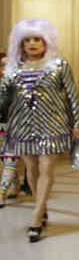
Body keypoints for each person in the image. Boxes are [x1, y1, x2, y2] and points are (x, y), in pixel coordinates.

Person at [1, 19, 79, 242]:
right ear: (21, 43)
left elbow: (72, 95)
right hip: (21, 124)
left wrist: (77, 124)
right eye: (27, 40)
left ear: (46, 41)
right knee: (31, 168)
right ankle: (42, 206)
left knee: (46, 167)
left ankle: (36, 217)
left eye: (36, 39)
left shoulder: (59, 65)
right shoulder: (12, 67)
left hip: (53, 124)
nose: (32, 44)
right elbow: (4, 98)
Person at [0, 52, 27, 207]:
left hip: (16, 126)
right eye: (3, 65)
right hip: (1, 126)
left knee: (11, 158)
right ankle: (14, 186)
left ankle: (1, 193)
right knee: (4, 159)